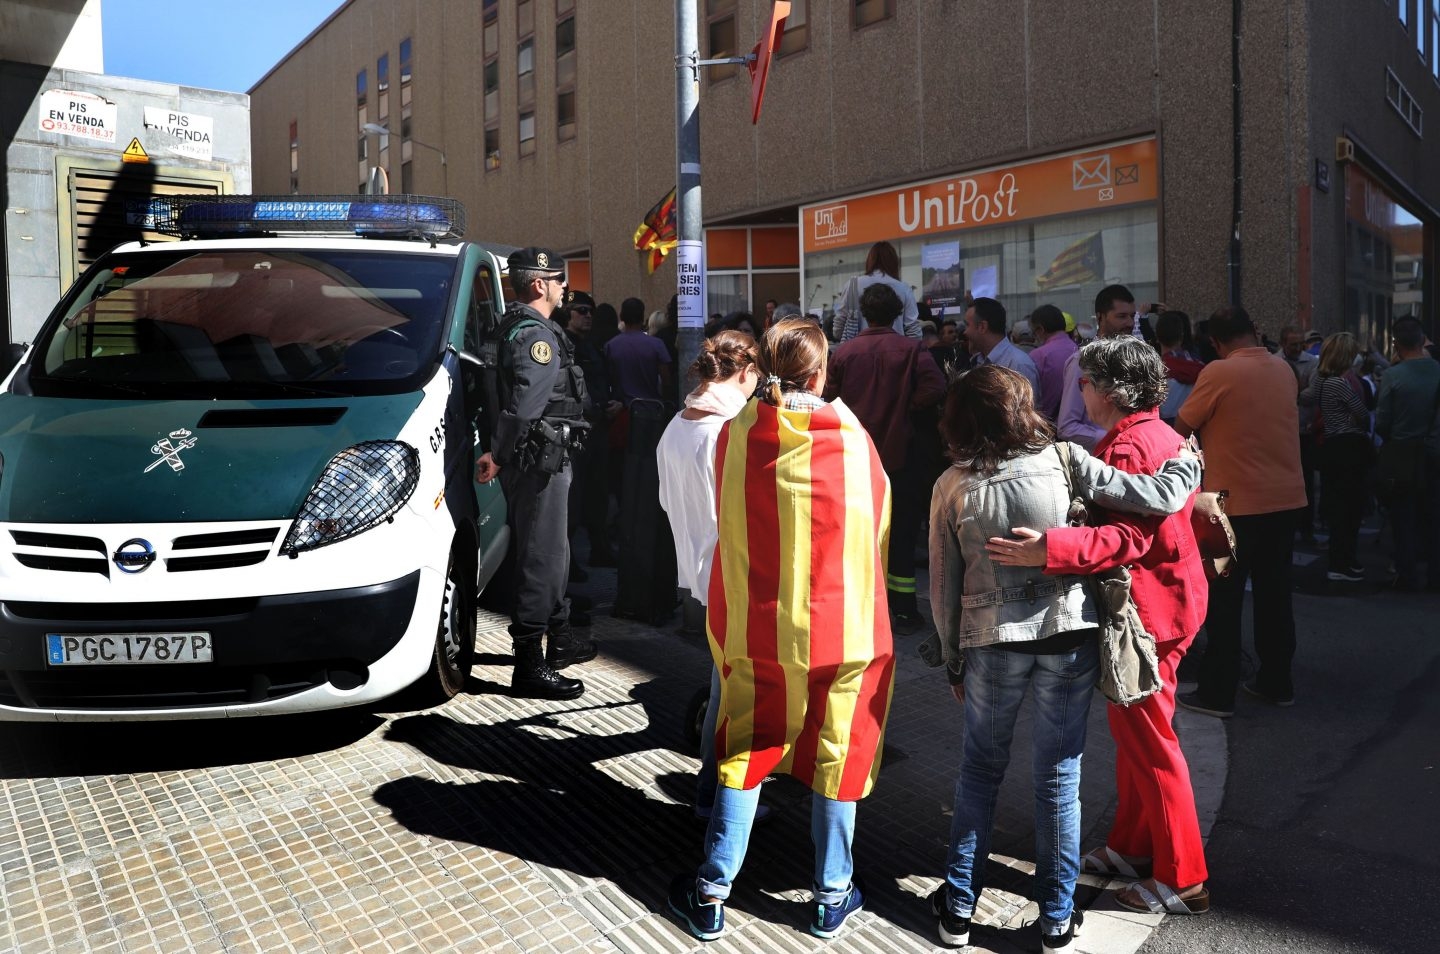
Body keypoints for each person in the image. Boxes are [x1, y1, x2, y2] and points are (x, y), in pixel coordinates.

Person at [927, 364, 1202, 953]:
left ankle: (955, 914)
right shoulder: (1064, 458)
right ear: (1022, 408)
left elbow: (943, 584)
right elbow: (1154, 498)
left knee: (980, 772)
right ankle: (1056, 919)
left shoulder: (951, 483)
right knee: (1059, 777)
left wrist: (953, 659)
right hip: (1066, 634)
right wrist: (1186, 460)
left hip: (990, 641)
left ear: (961, 419)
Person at [667, 318, 891, 942]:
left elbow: (731, 522)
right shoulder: (852, 438)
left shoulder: (736, 434)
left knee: (743, 750)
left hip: (758, 628)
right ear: (821, 372)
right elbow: (876, 527)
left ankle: (711, 894)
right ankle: (831, 895)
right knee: (837, 754)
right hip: (843, 629)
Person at [986, 337, 1211, 918]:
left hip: (1148, 614)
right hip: (1170, 604)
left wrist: (1048, 550)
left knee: (1152, 745)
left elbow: (1130, 538)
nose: (1077, 390)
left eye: (1084, 381)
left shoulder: (1132, 444)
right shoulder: (1157, 433)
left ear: (1109, 390)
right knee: (1141, 738)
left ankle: (1183, 878)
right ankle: (1135, 849)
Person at [655, 331, 769, 821]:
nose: (758, 387)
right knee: (734, 695)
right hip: (735, 578)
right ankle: (717, 801)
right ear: (744, 373)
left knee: (724, 685)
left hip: (699, 575)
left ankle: (714, 795)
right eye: (757, 378)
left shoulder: (675, 426)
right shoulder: (729, 429)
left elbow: (666, 502)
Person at [475, 247, 595, 700]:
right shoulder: (534, 336)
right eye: (558, 279)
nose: (564, 286)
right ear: (539, 285)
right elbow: (525, 406)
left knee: (555, 553)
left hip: (536, 458)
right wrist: (501, 455)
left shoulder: (518, 327)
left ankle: (559, 641)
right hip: (539, 461)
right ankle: (529, 664)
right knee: (542, 558)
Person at [1176, 306, 1306, 716]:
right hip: (1285, 500)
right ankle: (1276, 681)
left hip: (1229, 508)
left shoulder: (1218, 372)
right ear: (1255, 330)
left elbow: (1181, 426)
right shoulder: (1284, 370)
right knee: (1275, 595)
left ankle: (1218, 692)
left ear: (1215, 342)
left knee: (1225, 600)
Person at [825, 283, 947, 631]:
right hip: (902, 456)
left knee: (858, 533)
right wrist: (907, 406)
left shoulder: (845, 352)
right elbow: (935, 386)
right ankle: (905, 611)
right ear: (898, 313)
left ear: (864, 313)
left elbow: (829, 398)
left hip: (854, 456)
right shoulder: (911, 348)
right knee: (903, 534)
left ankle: (862, 610)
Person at [1303, 332, 1373, 582]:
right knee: (1347, 507)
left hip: (1336, 446)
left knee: (1344, 506)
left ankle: (1344, 560)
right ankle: (1340, 562)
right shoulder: (1340, 383)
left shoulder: (1326, 381)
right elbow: (1362, 414)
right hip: (1347, 447)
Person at [1376, 316, 1440, 590]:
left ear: (1396, 343)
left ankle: (1407, 575)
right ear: (1422, 339)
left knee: (1403, 517)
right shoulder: (1437, 370)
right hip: (1435, 451)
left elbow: (1382, 421)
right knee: (1434, 516)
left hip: (1403, 453)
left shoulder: (1393, 375)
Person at [560, 289, 620, 568]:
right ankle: (567, 563)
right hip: (575, 433)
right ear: (568, 314)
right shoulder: (562, 345)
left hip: (598, 431)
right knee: (572, 500)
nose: (587, 316)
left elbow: (604, 382)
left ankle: (599, 548)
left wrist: (615, 402)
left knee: (598, 494)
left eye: (590, 311)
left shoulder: (593, 346)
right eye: (580, 311)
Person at [1058, 285, 1137, 449]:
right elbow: (1067, 427)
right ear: (1100, 317)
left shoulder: (1134, 357)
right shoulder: (1082, 361)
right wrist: (1116, 439)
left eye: (1132, 316)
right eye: (1122, 316)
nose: (1129, 322)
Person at [835, 241, 921, 342]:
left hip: (859, 352)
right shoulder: (903, 288)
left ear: (870, 260)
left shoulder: (852, 285)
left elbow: (838, 329)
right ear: (894, 262)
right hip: (895, 353)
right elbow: (914, 332)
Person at [605, 297, 673, 407]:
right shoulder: (657, 344)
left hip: (621, 410)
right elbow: (666, 381)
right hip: (652, 409)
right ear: (642, 317)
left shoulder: (611, 345)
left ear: (622, 316)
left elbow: (608, 378)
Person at [963, 297, 1040, 394]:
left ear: (982, 327)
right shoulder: (978, 361)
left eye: (967, 325)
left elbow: (1029, 407)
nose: (964, 332)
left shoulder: (1019, 365)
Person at [1029, 304, 1079, 421]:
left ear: (1040, 329)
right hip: (1076, 425)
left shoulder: (1038, 355)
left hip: (1046, 425)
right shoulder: (1080, 350)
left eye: (1033, 332)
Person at [1155, 311, 1204, 427]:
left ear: (1157, 337)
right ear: (1182, 335)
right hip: (1196, 430)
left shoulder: (1156, 372)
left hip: (1166, 431)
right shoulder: (1202, 368)